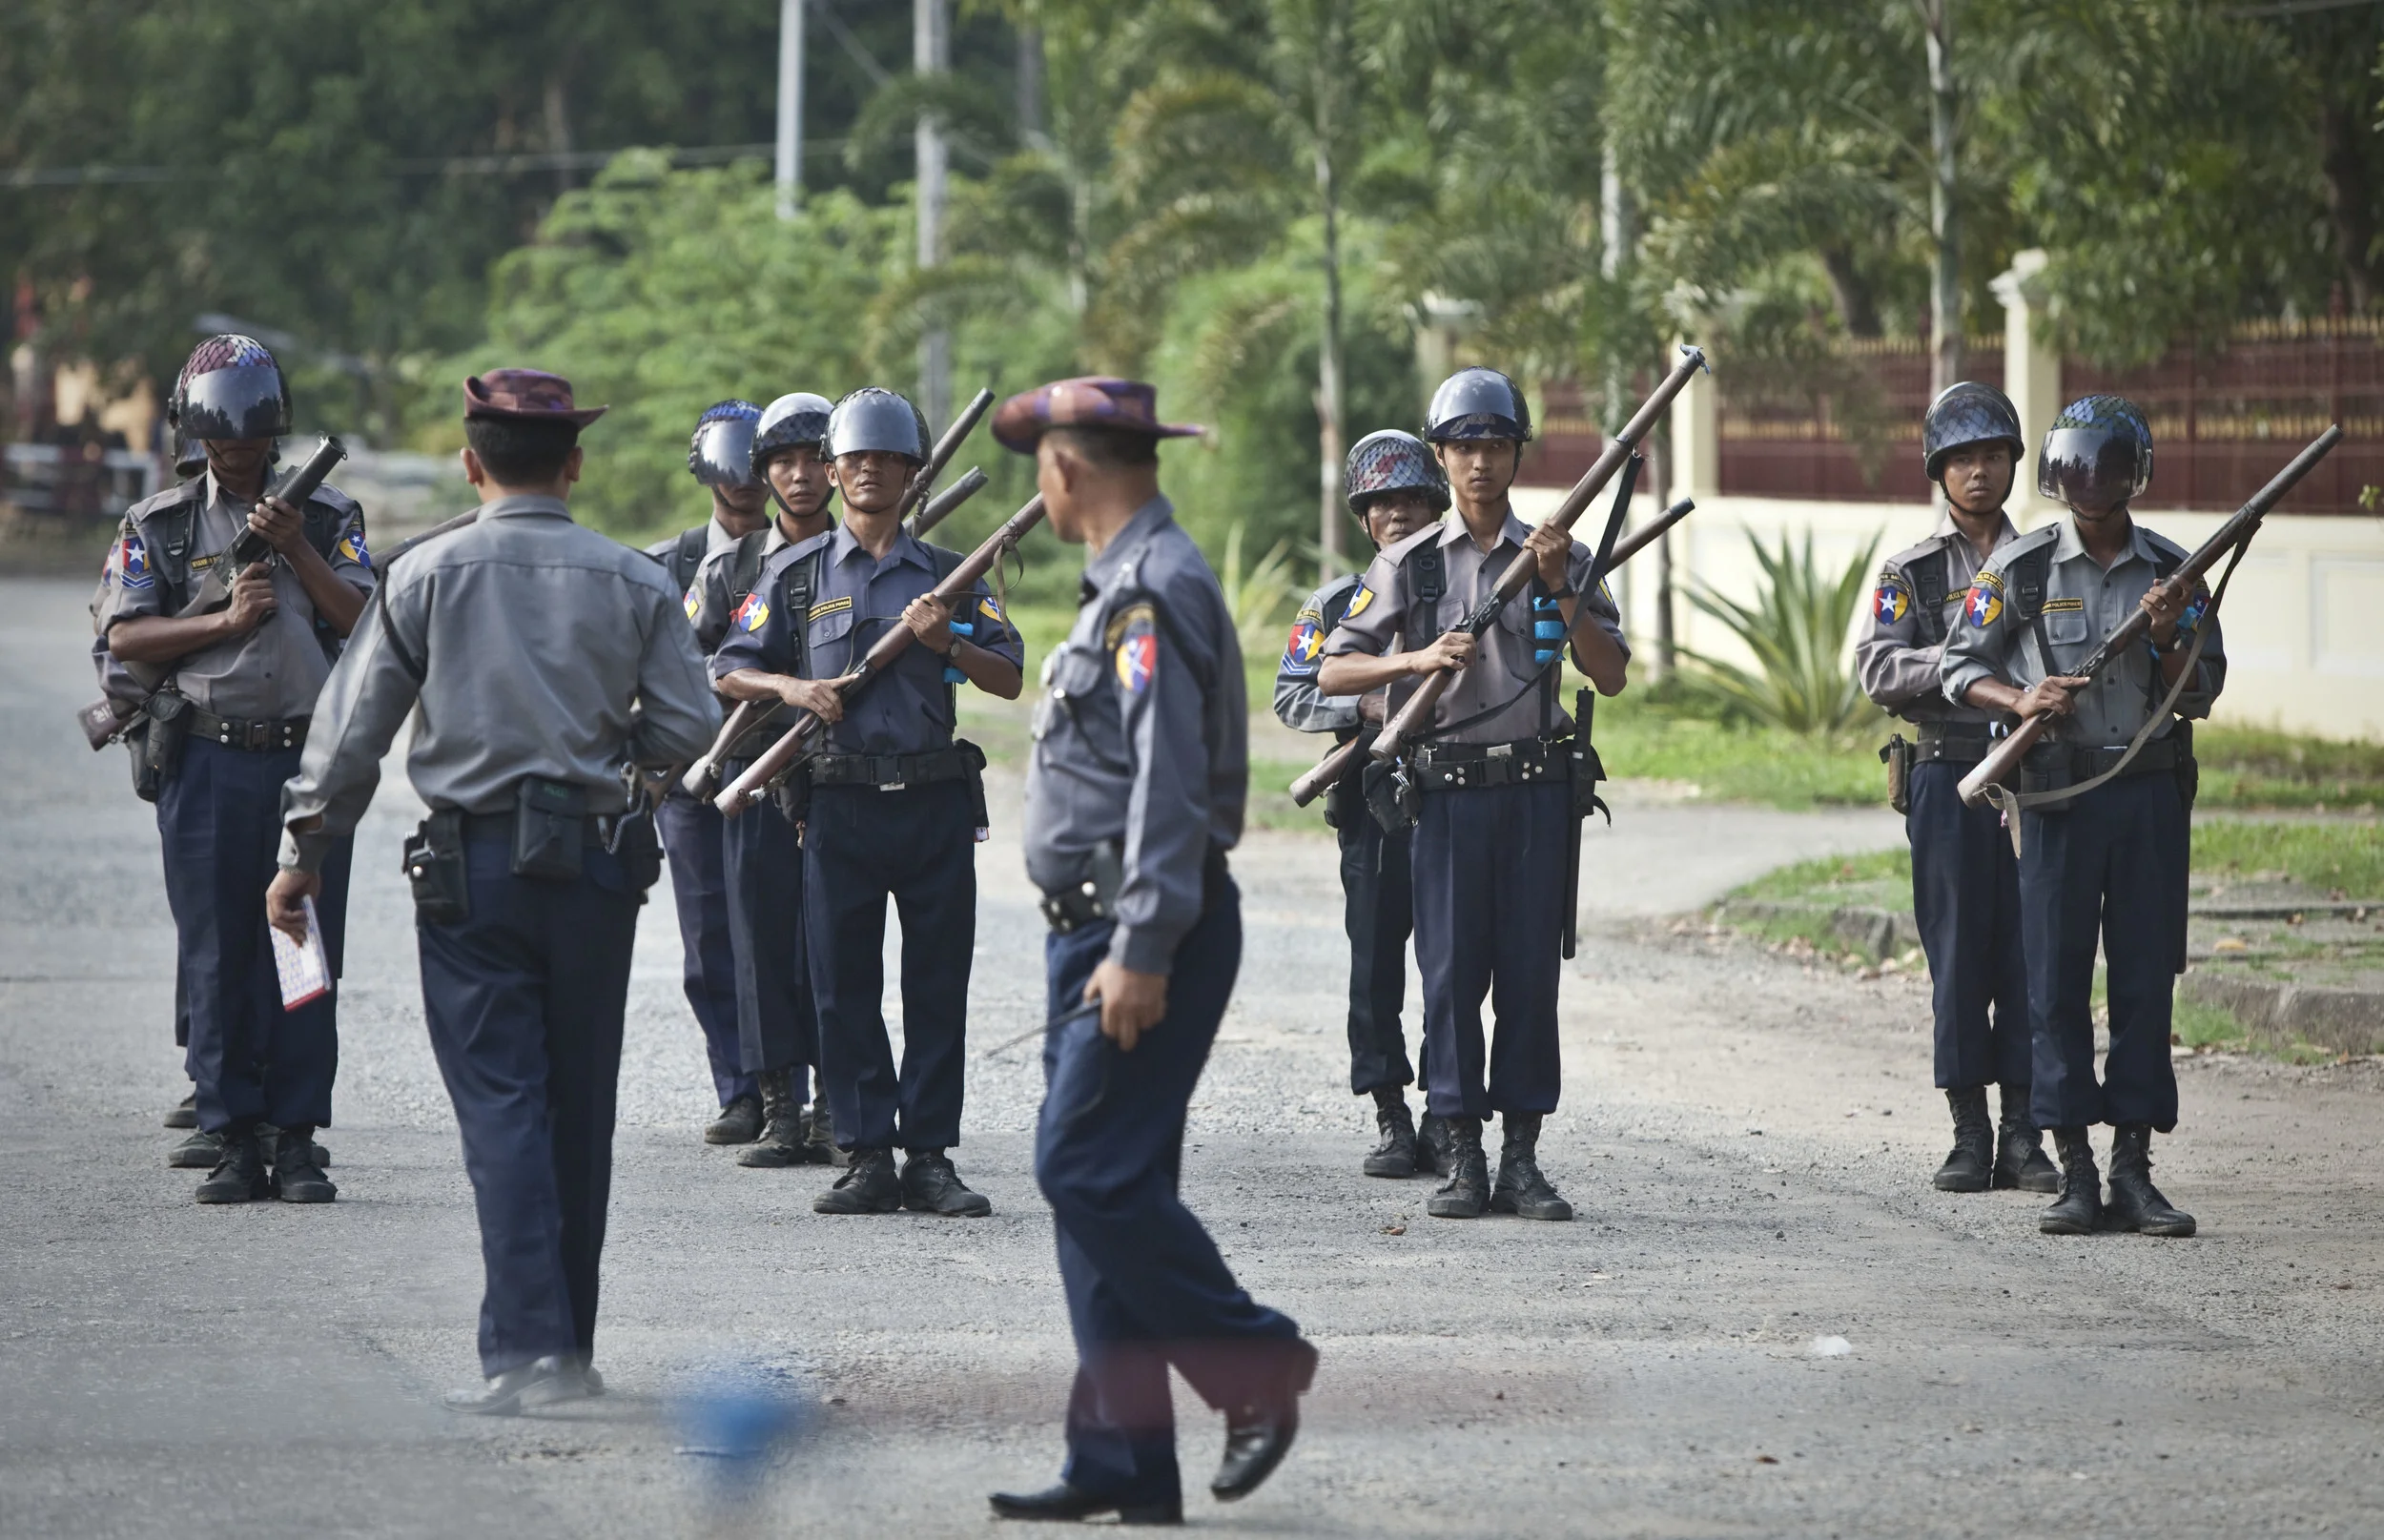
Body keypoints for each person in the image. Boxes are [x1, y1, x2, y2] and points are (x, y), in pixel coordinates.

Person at [266, 368, 719, 1411]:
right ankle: (570, 1348)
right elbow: (690, 733)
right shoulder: (635, 579)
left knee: (504, 1105)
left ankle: (530, 1354)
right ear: (574, 464)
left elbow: (352, 735)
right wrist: (622, 759)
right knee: (578, 1105)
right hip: (599, 865)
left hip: (471, 874)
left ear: (472, 465)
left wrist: (302, 854)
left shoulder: (423, 575)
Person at [989, 376, 1316, 1526]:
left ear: (1067, 469)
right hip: (1099, 924)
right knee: (1108, 1186)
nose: (1040, 486)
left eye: (1042, 467)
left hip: (1137, 925)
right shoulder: (1126, 586)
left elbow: (1169, 787)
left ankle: (1253, 1361)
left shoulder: (1151, 592)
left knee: (1081, 1167)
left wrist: (1139, 945)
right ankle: (1121, 1461)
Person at [1317, 367, 1628, 1223]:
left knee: (1528, 976)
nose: (1480, 463)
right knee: (1449, 976)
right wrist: (1413, 660)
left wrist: (1561, 584)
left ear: (1517, 453)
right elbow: (1334, 666)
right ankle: (1461, 1153)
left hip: (1533, 791)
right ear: (1441, 457)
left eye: (1495, 445)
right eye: (1464, 447)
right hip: (1444, 795)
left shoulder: (1556, 553)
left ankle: (1523, 1157)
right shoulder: (1407, 565)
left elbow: (1612, 673)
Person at [712, 387, 1022, 1217]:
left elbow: (1009, 674)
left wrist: (945, 640)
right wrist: (794, 685)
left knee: (934, 984)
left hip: (932, 800)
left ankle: (930, 1155)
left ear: (913, 473)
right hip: (838, 803)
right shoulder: (796, 576)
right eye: (855, 460)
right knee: (841, 986)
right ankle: (866, 1151)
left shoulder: (947, 575)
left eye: (888, 460)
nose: (869, 472)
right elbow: (728, 669)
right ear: (833, 470)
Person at [95, 334, 372, 1202]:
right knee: (217, 954)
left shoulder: (327, 517)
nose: (239, 454)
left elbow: (367, 622)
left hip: (306, 762)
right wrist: (219, 623)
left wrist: (297, 552)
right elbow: (126, 637)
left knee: (300, 947)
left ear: (275, 433)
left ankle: (295, 1136)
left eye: (252, 439)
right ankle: (232, 1136)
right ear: (196, 436)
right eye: (223, 441)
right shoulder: (161, 525)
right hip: (209, 758)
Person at [1941, 394, 2221, 1240]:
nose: (2090, 483)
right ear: (2057, 474)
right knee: (2053, 982)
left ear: (2132, 474)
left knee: (2142, 979)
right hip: (2057, 797)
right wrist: (2019, 696)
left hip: (2144, 795)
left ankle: (2134, 1168)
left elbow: (2203, 688)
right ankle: (2077, 1168)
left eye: (2106, 466)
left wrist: (2171, 635)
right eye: (2078, 467)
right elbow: (1960, 664)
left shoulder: (2175, 571)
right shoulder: (2021, 569)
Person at [1854, 382, 2056, 1196]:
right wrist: (1964, 667)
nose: (1979, 472)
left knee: (2031, 952)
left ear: (2013, 462)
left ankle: (2024, 1134)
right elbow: (1878, 666)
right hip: (1946, 772)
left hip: (2035, 775)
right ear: (1939, 470)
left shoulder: (2046, 561)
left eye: (1993, 456)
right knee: (1959, 956)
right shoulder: (1912, 568)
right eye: (1963, 459)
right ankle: (1969, 1132)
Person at [1274, 429, 1447, 1179]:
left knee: (1455, 961)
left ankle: (1448, 1111)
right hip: (1370, 796)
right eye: (1382, 504)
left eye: (1412, 500)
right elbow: (1292, 691)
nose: (1398, 515)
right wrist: (1369, 703)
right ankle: (1389, 1111)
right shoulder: (1337, 602)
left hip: (1457, 791)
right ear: (1364, 517)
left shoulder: (1468, 584)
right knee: (1375, 960)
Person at [685, 392, 840, 1168]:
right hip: (755, 768)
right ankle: (779, 1104)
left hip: (842, 773)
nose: (801, 476)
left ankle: (835, 1106)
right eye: (784, 462)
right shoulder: (732, 568)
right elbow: (706, 670)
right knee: (757, 943)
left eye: (816, 459)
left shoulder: (865, 552)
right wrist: (780, 687)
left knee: (834, 944)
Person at [647, 400, 771, 1146]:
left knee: (786, 938)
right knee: (709, 942)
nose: (748, 493)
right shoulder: (668, 563)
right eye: (734, 483)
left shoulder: (812, 549)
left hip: (780, 770)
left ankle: (796, 1089)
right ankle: (740, 1088)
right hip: (692, 777)